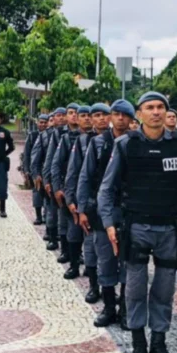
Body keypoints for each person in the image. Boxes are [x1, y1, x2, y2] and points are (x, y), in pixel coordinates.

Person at [98, 91, 177, 353]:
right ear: (140, 113)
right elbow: (106, 189)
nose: (156, 112)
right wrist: (109, 223)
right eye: (150, 107)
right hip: (136, 228)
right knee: (134, 289)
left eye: (160, 107)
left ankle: (159, 344)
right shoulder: (125, 145)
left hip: (169, 229)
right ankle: (138, 345)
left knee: (164, 290)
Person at [79, 100, 134, 326]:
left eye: (125, 115)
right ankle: (109, 307)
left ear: (131, 119)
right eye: (116, 114)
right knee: (105, 259)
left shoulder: (136, 143)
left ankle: (125, 309)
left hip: (130, 210)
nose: (120, 118)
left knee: (129, 262)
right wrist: (82, 209)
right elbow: (85, 176)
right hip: (103, 209)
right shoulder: (98, 143)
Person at [67, 103, 103, 293]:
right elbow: (75, 173)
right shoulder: (82, 141)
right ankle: (90, 282)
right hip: (87, 199)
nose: (90, 119)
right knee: (84, 240)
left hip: (111, 202)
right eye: (93, 115)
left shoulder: (121, 140)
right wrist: (71, 199)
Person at [59, 105, 93, 278]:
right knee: (74, 233)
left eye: (89, 115)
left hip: (94, 195)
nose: (87, 118)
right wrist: (69, 197)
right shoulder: (74, 140)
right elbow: (70, 172)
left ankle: (91, 268)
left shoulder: (102, 140)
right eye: (83, 115)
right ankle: (74, 265)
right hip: (76, 193)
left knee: (92, 237)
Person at [49, 103, 82, 266]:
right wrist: (55, 187)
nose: (74, 115)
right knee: (65, 222)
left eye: (77, 113)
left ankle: (78, 254)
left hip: (82, 186)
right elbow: (53, 162)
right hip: (65, 185)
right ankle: (66, 252)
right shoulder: (61, 136)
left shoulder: (89, 136)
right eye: (71, 113)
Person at [31, 108, 65, 250]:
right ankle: (52, 238)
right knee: (51, 212)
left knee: (64, 215)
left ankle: (66, 244)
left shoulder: (71, 134)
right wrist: (37, 175)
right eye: (58, 116)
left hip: (65, 179)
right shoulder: (45, 135)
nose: (61, 118)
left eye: (64, 115)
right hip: (49, 178)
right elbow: (36, 157)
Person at [23, 114, 49, 225]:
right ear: (37, 123)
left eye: (45, 122)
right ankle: (38, 216)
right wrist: (26, 170)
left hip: (47, 169)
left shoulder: (51, 135)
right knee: (37, 193)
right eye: (41, 122)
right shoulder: (32, 136)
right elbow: (27, 154)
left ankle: (46, 216)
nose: (43, 124)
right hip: (36, 169)